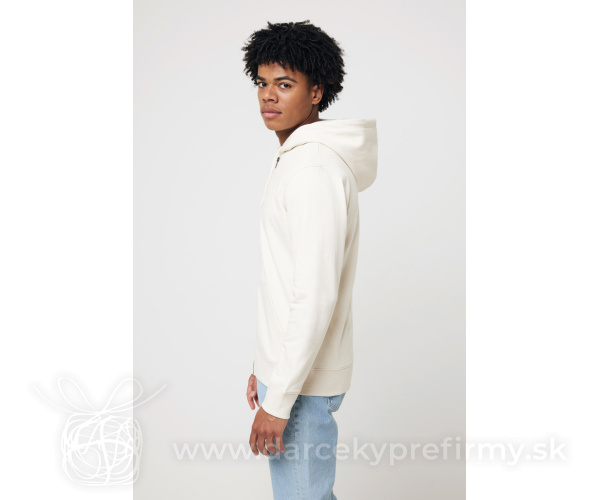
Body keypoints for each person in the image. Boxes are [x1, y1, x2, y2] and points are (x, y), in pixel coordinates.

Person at [241, 20, 378, 499]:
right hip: (292, 375)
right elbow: (284, 280)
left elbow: (315, 294)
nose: (268, 96)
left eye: (285, 84)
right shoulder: (295, 161)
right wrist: (266, 365)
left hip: (301, 386)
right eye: (262, 83)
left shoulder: (312, 170)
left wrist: (280, 397)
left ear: (316, 91)